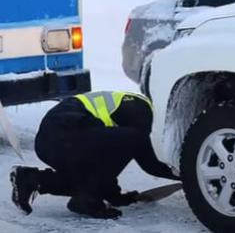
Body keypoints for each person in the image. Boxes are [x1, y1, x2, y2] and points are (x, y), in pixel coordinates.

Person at [10, 91, 177, 219]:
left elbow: (121, 156)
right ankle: (88, 200)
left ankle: (32, 179)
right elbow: (147, 160)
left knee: (86, 178)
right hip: (65, 133)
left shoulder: (134, 108)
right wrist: (187, 174)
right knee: (131, 139)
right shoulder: (142, 110)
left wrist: (114, 196)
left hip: (51, 143)